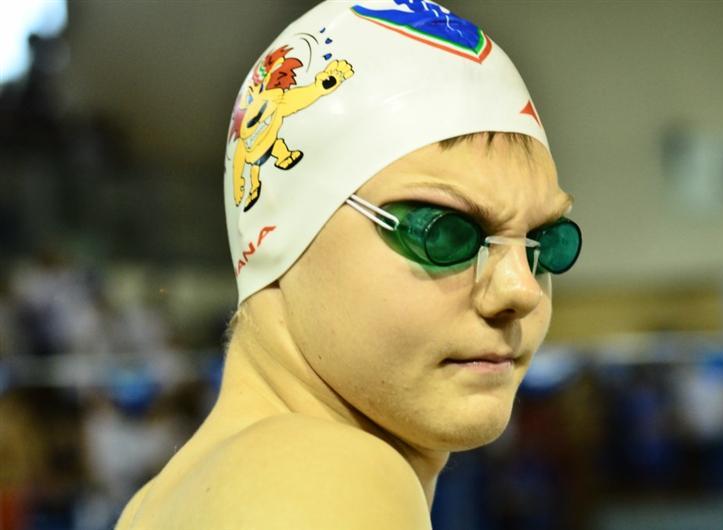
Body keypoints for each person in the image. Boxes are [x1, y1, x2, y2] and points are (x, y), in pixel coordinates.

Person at [116, 0, 581, 528]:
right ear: (281, 233)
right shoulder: (321, 479)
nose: (522, 290)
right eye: (443, 232)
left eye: (546, 241)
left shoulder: (158, 502)